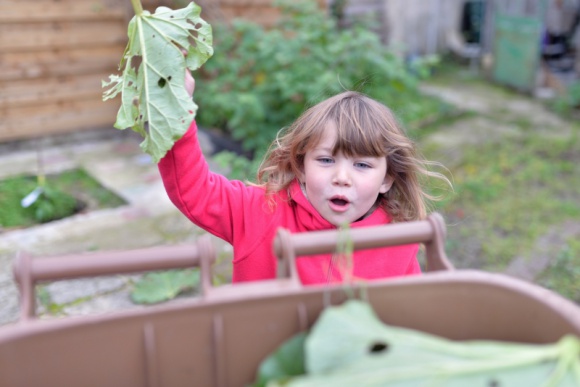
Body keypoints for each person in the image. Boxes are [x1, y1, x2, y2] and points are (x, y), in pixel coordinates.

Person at [158, 71, 450, 285]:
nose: (342, 177)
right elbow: (194, 190)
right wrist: (175, 111)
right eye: (325, 160)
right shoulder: (260, 211)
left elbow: (409, 323)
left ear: (387, 178)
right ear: (301, 165)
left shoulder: (398, 240)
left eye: (362, 165)